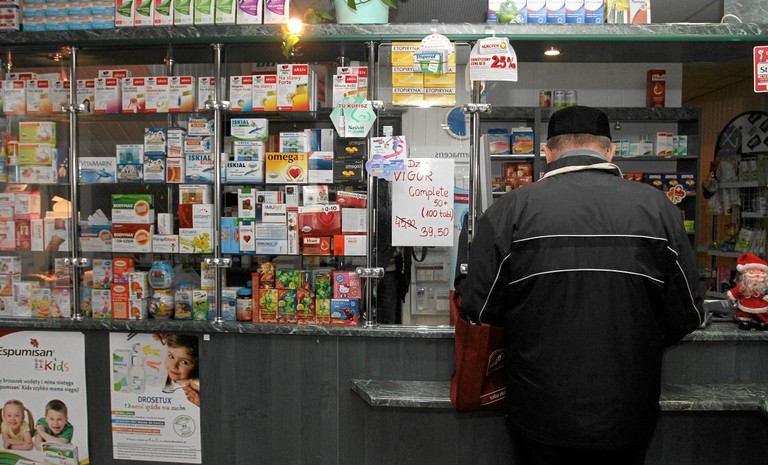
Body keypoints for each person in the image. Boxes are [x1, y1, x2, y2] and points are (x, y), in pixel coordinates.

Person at [457, 105, 704, 465]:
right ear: (610, 151)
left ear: (547, 152)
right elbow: (687, 313)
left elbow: (479, 309)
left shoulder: (510, 210)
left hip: (540, 408)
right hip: (628, 409)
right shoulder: (658, 208)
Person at [726, 253, 768, 330]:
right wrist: (732, 296)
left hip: (762, 308)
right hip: (745, 308)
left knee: (762, 317)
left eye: (760, 272)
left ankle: (762, 323)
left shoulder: (765, 286)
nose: (757, 275)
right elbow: (735, 292)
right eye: (752, 272)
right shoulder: (743, 286)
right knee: (744, 316)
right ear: (746, 274)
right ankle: (745, 323)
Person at [162, 334, 200, 407]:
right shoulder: (162, 379)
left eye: (184, 362)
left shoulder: (197, 392)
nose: (174, 366)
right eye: (171, 356)